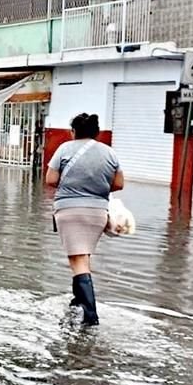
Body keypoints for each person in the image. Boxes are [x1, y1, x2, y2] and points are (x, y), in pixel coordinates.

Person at [45, 113, 125, 326]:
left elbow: (51, 179)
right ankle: (78, 301)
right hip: (98, 213)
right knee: (82, 257)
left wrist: (73, 184)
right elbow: (119, 184)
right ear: (96, 132)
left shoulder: (64, 149)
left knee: (77, 260)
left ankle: (90, 316)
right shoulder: (109, 152)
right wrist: (95, 188)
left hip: (69, 210)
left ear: (73, 131)